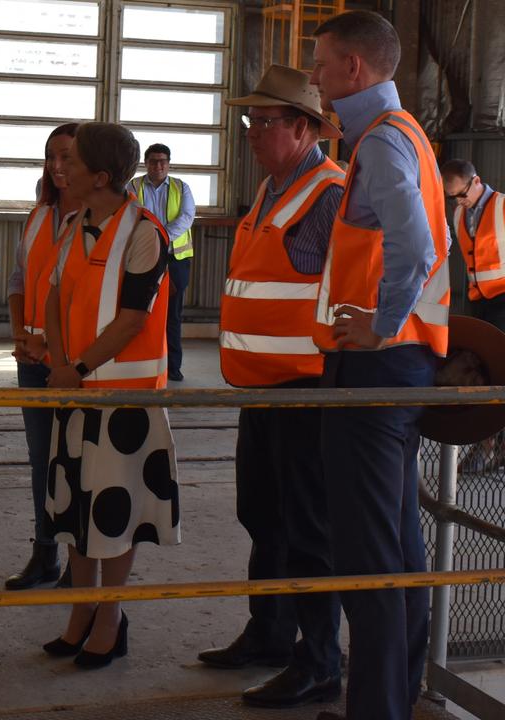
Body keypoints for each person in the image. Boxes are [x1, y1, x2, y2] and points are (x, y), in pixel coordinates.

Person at [309, 10, 451, 720]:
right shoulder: (407, 137)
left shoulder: (382, 145)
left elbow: (419, 246)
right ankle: (393, 696)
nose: (314, 78)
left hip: (376, 371)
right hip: (399, 370)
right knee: (394, 544)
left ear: (354, 70)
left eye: (320, 63)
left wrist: (380, 326)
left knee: (369, 557)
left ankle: (377, 709)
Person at [203, 64, 345, 708]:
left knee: (308, 528)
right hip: (261, 391)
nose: (252, 132)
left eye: (265, 121)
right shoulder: (270, 191)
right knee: (262, 515)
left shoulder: (330, 193)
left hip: (306, 392)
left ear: (304, 127)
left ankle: (319, 660)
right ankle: (268, 636)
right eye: (249, 120)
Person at [41, 121, 180, 670]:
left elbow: (130, 319)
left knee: (114, 513)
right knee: (77, 511)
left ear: (100, 176)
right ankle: (82, 611)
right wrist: (58, 364)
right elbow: (54, 298)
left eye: (71, 162)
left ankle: (110, 617)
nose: (61, 169)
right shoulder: (74, 224)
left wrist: (75, 367)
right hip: (77, 393)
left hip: (124, 399)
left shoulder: (145, 231)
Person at [3, 122, 80, 591]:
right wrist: (19, 333)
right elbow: (17, 280)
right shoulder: (39, 216)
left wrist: (53, 348)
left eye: (68, 157)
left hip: (71, 364)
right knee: (41, 461)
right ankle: (44, 552)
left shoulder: (100, 222)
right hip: (31, 359)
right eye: (51, 156)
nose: (57, 166)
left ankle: (79, 561)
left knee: (75, 464)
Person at [129, 144, 195, 381]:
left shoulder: (181, 187)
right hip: (143, 256)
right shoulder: (133, 186)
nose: (159, 165)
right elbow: (128, 215)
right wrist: (151, 241)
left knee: (172, 315)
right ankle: (144, 364)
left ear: (169, 163)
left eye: (163, 161)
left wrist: (160, 238)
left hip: (175, 259)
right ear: (145, 163)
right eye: (154, 161)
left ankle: (173, 367)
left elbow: (186, 218)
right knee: (140, 311)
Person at [441, 159, 505, 331]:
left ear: (476, 181)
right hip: (477, 299)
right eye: (452, 197)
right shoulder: (458, 214)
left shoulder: (502, 206)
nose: (458, 201)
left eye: (461, 194)